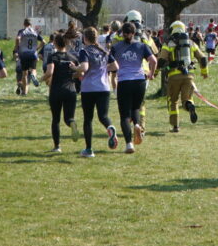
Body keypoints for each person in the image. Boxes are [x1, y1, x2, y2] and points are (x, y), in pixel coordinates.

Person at [110, 22, 157, 153]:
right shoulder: (141, 45)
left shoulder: (116, 47)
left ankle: (129, 144)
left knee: (124, 115)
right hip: (139, 81)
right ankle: (137, 124)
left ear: (122, 33)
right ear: (134, 33)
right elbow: (154, 60)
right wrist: (151, 73)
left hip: (124, 81)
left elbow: (110, 64)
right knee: (136, 107)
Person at [157, 21, 208, 132]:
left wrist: (156, 72)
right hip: (189, 76)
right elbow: (203, 58)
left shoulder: (168, 44)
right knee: (187, 99)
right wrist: (204, 72)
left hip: (173, 76)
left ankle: (175, 126)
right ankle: (190, 106)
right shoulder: (191, 43)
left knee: (173, 101)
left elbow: (161, 60)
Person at [75, 27, 119, 157]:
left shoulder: (84, 51)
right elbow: (116, 66)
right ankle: (109, 127)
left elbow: (84, 67)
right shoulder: (103, 51)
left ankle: (89, 149)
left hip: (89, 88)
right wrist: (103, 68)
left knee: (88, 119)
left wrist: (75, 68)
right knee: (103, 116)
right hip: (104, 88)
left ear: (85, 38)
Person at [42, 27, 82, 153]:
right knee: (68, 118)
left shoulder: (53, 57)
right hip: (71, 90)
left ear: (55, 43)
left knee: (56, 119)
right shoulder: (73, 57)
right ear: (67, 43)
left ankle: (57, 146)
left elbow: (50, 72)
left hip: (56, 90)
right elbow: (80, 74)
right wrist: (72, 75)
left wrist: (41, 79)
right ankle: (72, 123)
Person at [14, 19, 44, 96]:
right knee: (33, 69)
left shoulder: (22, 31)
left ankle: (24, 92)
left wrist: (17, 47)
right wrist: (37, 48)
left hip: (24, 54)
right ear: (31, 24)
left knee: (24, 73)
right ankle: (33, 75)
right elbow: (43, 41)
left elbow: (18, 38)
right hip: (33, 54)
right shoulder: (35, 32)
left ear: (24, 24)